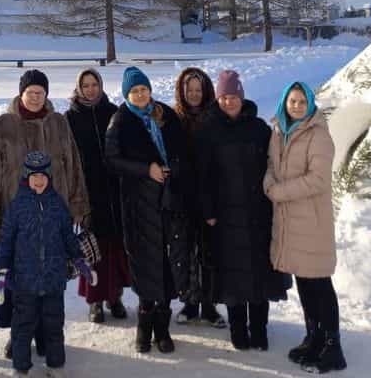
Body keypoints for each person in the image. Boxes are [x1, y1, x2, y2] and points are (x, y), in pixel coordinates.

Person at [0, 69, 89, 359]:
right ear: (21, 93)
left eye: (41, 92)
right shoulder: (3, 125)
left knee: (50, 279)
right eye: (31, 92)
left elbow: (73, 165)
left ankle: (46, 335)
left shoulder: (59, 123)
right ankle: (19, 335)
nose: (36, 97)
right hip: (16, 219)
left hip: (53, 217)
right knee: (18, 282)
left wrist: (77, 205)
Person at [197, 69, 290, 352]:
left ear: (242, 96)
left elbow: (274, 166)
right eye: (224, 96)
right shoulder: (207, 129)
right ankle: (238, 328)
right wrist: (208, 210)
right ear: (218, 97)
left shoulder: (259, 128)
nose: (229, 102)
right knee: (233, 276)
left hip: (258, 213)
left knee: (260, 273)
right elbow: (201, 175)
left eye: (233, 96)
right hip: (225, 216)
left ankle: (259, 328)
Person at [105, 66, 193, 354]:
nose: (141, 95)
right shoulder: (120, 121)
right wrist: (146, 170)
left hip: (170, 202)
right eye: (135, 91)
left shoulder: (165, 115)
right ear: (127, 95)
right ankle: (144, 329)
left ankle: (163, 330)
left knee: (168, 267)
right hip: (139, 205)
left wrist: (173, 170)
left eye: (144, 89)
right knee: (145, 266)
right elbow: (112, 160)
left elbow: (183, 152)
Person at [264, 81, 346, 373]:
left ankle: (333, 347)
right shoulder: (278, 133)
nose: (296, 106)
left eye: (301, 102)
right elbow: (271, 168)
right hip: (289, 222)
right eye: (292, 101)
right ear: (284, 103)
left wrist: (279, 192)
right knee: (305, 285)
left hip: (312, 223)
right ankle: (314, 338)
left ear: (310, 104)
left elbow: (318, 180)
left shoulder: (319, 135)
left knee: (320, 284)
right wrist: (269, 183)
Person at [0, 151, 97, 375]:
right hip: (24, 282)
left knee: (53, 325)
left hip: (53, 279)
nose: (39, 180)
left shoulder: (57, 204)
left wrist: (81, 262)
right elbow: (6, 243)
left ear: (49, 177)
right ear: (26, 178)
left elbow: (68, 238)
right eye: (34, 176)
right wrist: (1, 276)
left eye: (43, 176)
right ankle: (21, 368)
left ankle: (55, 365)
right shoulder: (17, 206)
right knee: (22, 327)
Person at [65, 67, 131, 323]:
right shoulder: (70, 118)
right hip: (87, 192)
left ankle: (114, 297)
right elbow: (67, 159)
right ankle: (95, 302)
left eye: (94, 84)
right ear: (79, 88)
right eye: (86, 85)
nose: (91, 89)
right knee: (92, 249)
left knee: (115, 250)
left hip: (114, 191)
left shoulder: (113, 112)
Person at [173, 66, 226, 328]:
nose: (194, 95)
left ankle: (210, 305)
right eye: (189, 90)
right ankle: (190, 302)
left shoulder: (215, 118)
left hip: (210, 196)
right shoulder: (174, 119)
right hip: (184, 197)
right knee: (187, 252)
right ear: (182, 92)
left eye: (198, 90)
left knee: (210, 252)